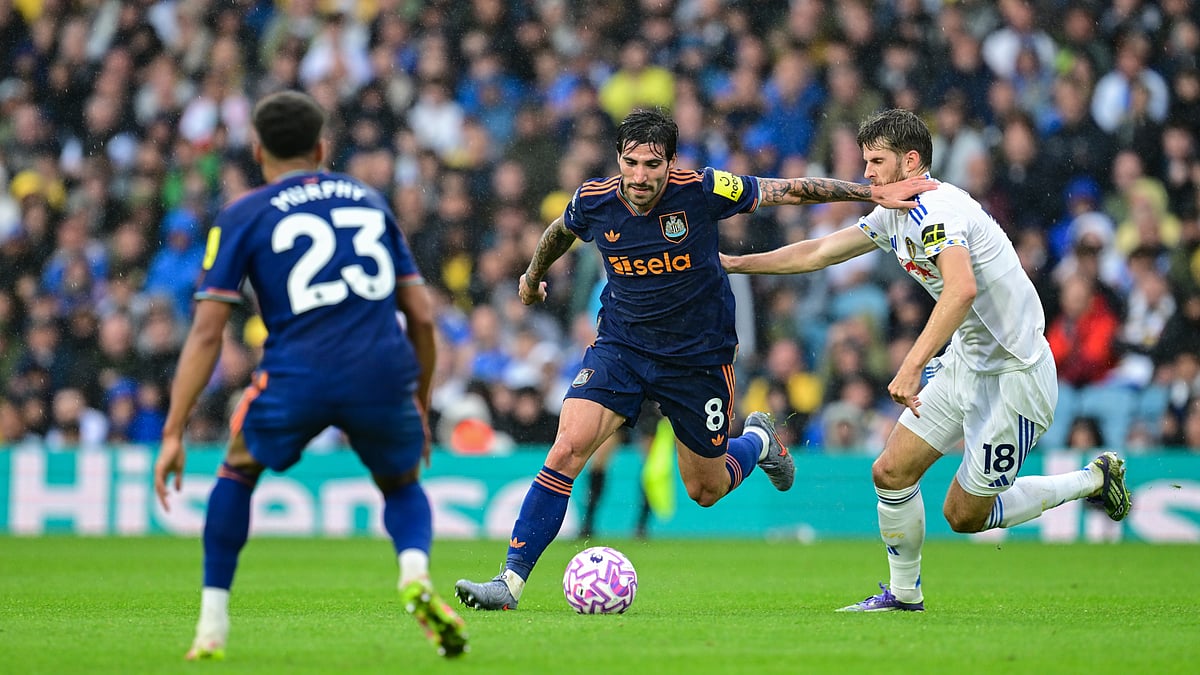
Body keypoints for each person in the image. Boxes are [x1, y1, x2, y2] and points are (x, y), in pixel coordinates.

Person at [454, 107, 933, 611]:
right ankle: (509, 584)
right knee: (566, 448)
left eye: (652, 165)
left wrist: (872, 193)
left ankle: (758, 440)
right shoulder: (594, 200)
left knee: (705, 489)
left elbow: (790, 188)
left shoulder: (704, 189)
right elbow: (559, 231)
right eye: (631, 163)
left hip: (697, 359)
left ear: (671, 162)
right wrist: (531, 277)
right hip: (622, 348)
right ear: (618, 159)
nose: (640, 177)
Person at [721, 108, 1133, 612]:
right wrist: (737, 264)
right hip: (966, 361)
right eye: (864, 161)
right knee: (890, 471)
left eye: (876, 161)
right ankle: (903, 594)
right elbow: (821, 251)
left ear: (911, 161)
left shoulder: (936, 210)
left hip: (1014, 375)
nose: (866, 173)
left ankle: (1094, 478)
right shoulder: (892, 211)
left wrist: (913, 362)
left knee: (964, 515)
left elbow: (961, 288)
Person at [153, 91, 467, 658]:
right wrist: (417, 403)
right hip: (381, 370)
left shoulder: (244, 214)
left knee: (239, 470)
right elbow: (421, 317)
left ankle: (212, 627)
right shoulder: (370, 201)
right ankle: (415, 574)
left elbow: (205, 334)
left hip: (299, 373)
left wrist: (174, 428)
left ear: (257, 151)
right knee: (400, 483)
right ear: (323, 147)